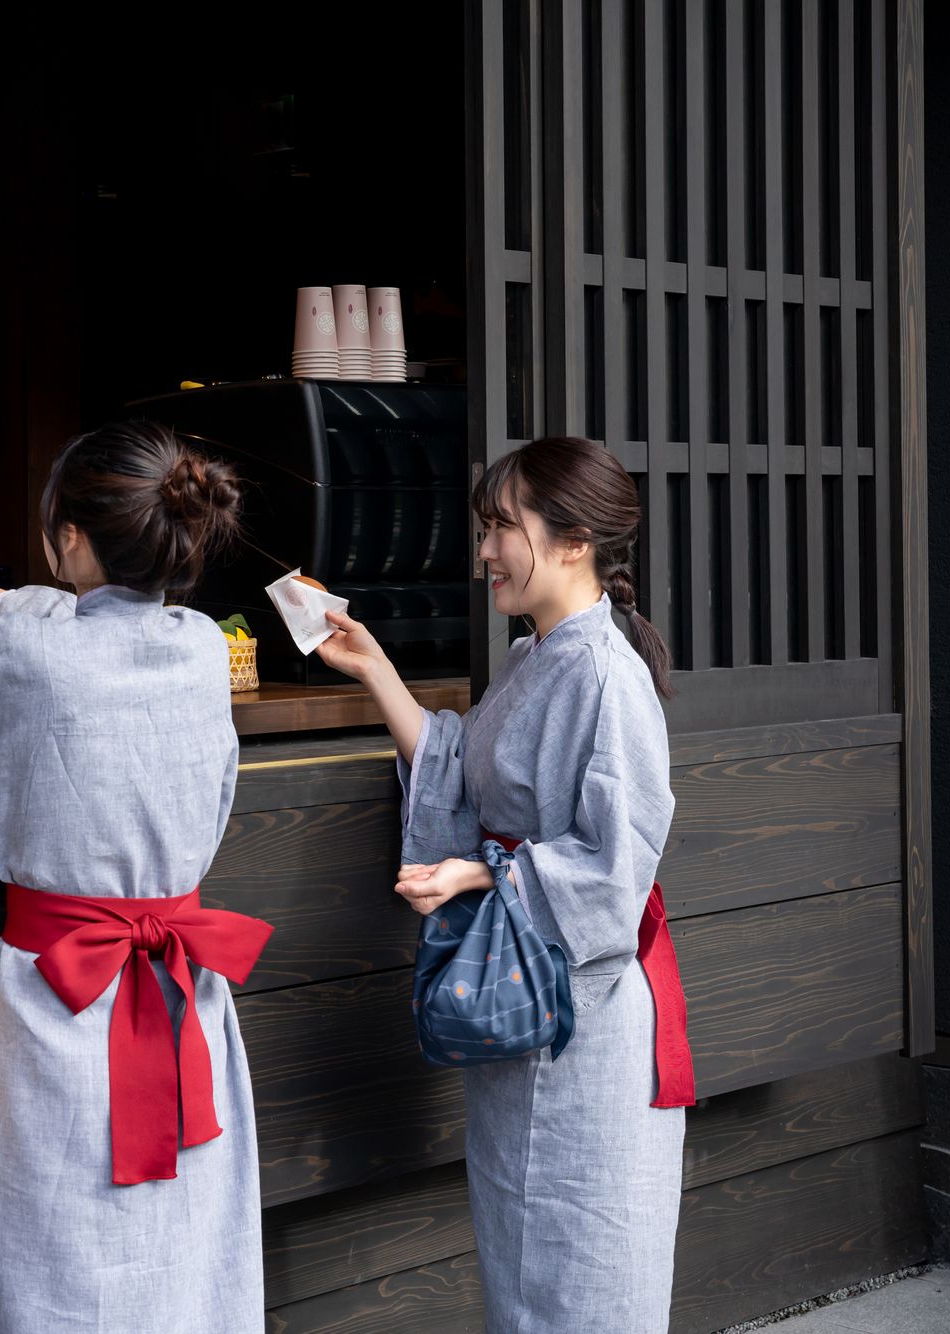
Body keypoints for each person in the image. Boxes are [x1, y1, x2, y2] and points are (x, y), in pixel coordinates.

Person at [0, 420, 271, 1332]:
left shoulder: (36, 657)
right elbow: (70, 638)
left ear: (68, 538)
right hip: (187, 997)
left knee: (61, 1264)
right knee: (185, 1255)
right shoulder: (195, 648)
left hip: (62, 1006)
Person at [315, 435, 688, 1333]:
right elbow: (456, 765)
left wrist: (482, 870)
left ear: (574, 539)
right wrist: (374, 669)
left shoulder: (604, 672)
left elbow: (619, 860)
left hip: (584, 1021)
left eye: (501, 528)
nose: (483, 552)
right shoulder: (535, 659)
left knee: (587, 1275)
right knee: (527, 1262)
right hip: (531, 1007)